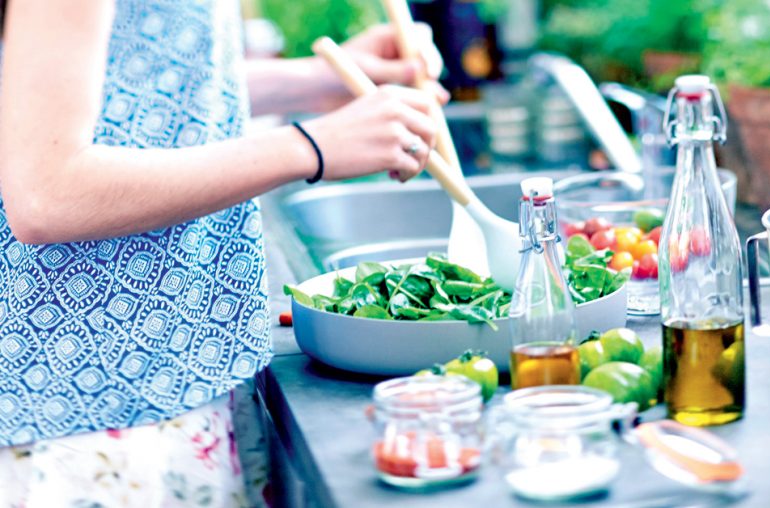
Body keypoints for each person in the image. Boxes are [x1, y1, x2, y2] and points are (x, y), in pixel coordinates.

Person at [0, 0, 445, 505]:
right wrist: (309, 146)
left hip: (177, 369)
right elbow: (47, 194)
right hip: (101, 401)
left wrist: (315, 79)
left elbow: (142, 77)